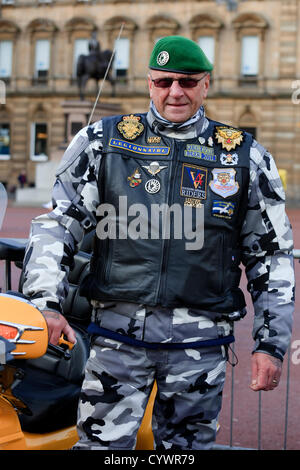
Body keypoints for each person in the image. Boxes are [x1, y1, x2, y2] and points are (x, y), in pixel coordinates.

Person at [22, 36, 295, 450]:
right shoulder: (104, 142)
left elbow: (270, 254)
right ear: (149, 83)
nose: (175, 91)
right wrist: (45, 303)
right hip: (117, 342)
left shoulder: (244, 156)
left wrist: (271, 344)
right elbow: (58, 223)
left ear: (206, 84)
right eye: (164, 81)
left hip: (199, 350)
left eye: (187, 81)